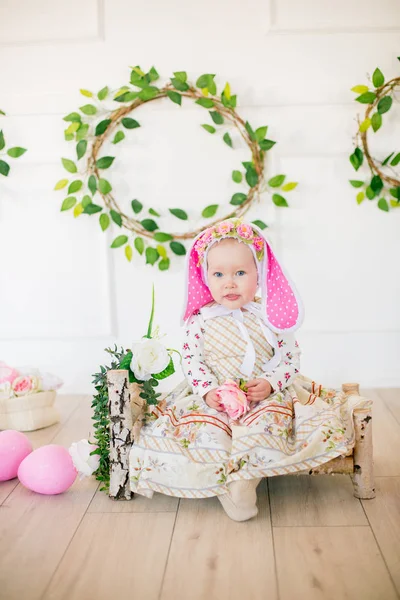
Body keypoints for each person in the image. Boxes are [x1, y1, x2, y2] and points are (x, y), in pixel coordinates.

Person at [129, 218, 368, 521]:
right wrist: (207, 391)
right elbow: (192, 361)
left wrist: (269, 383)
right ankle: (220, 480)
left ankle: (242, 483)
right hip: (215, 392)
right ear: (205, 278)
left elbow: (290, 359)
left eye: (240, 273)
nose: (229, 282)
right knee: (206, 430)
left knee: (266, 425)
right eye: (218, 274)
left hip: (264, 394)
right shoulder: (200, 320)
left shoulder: (268, 315)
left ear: (259, 274)